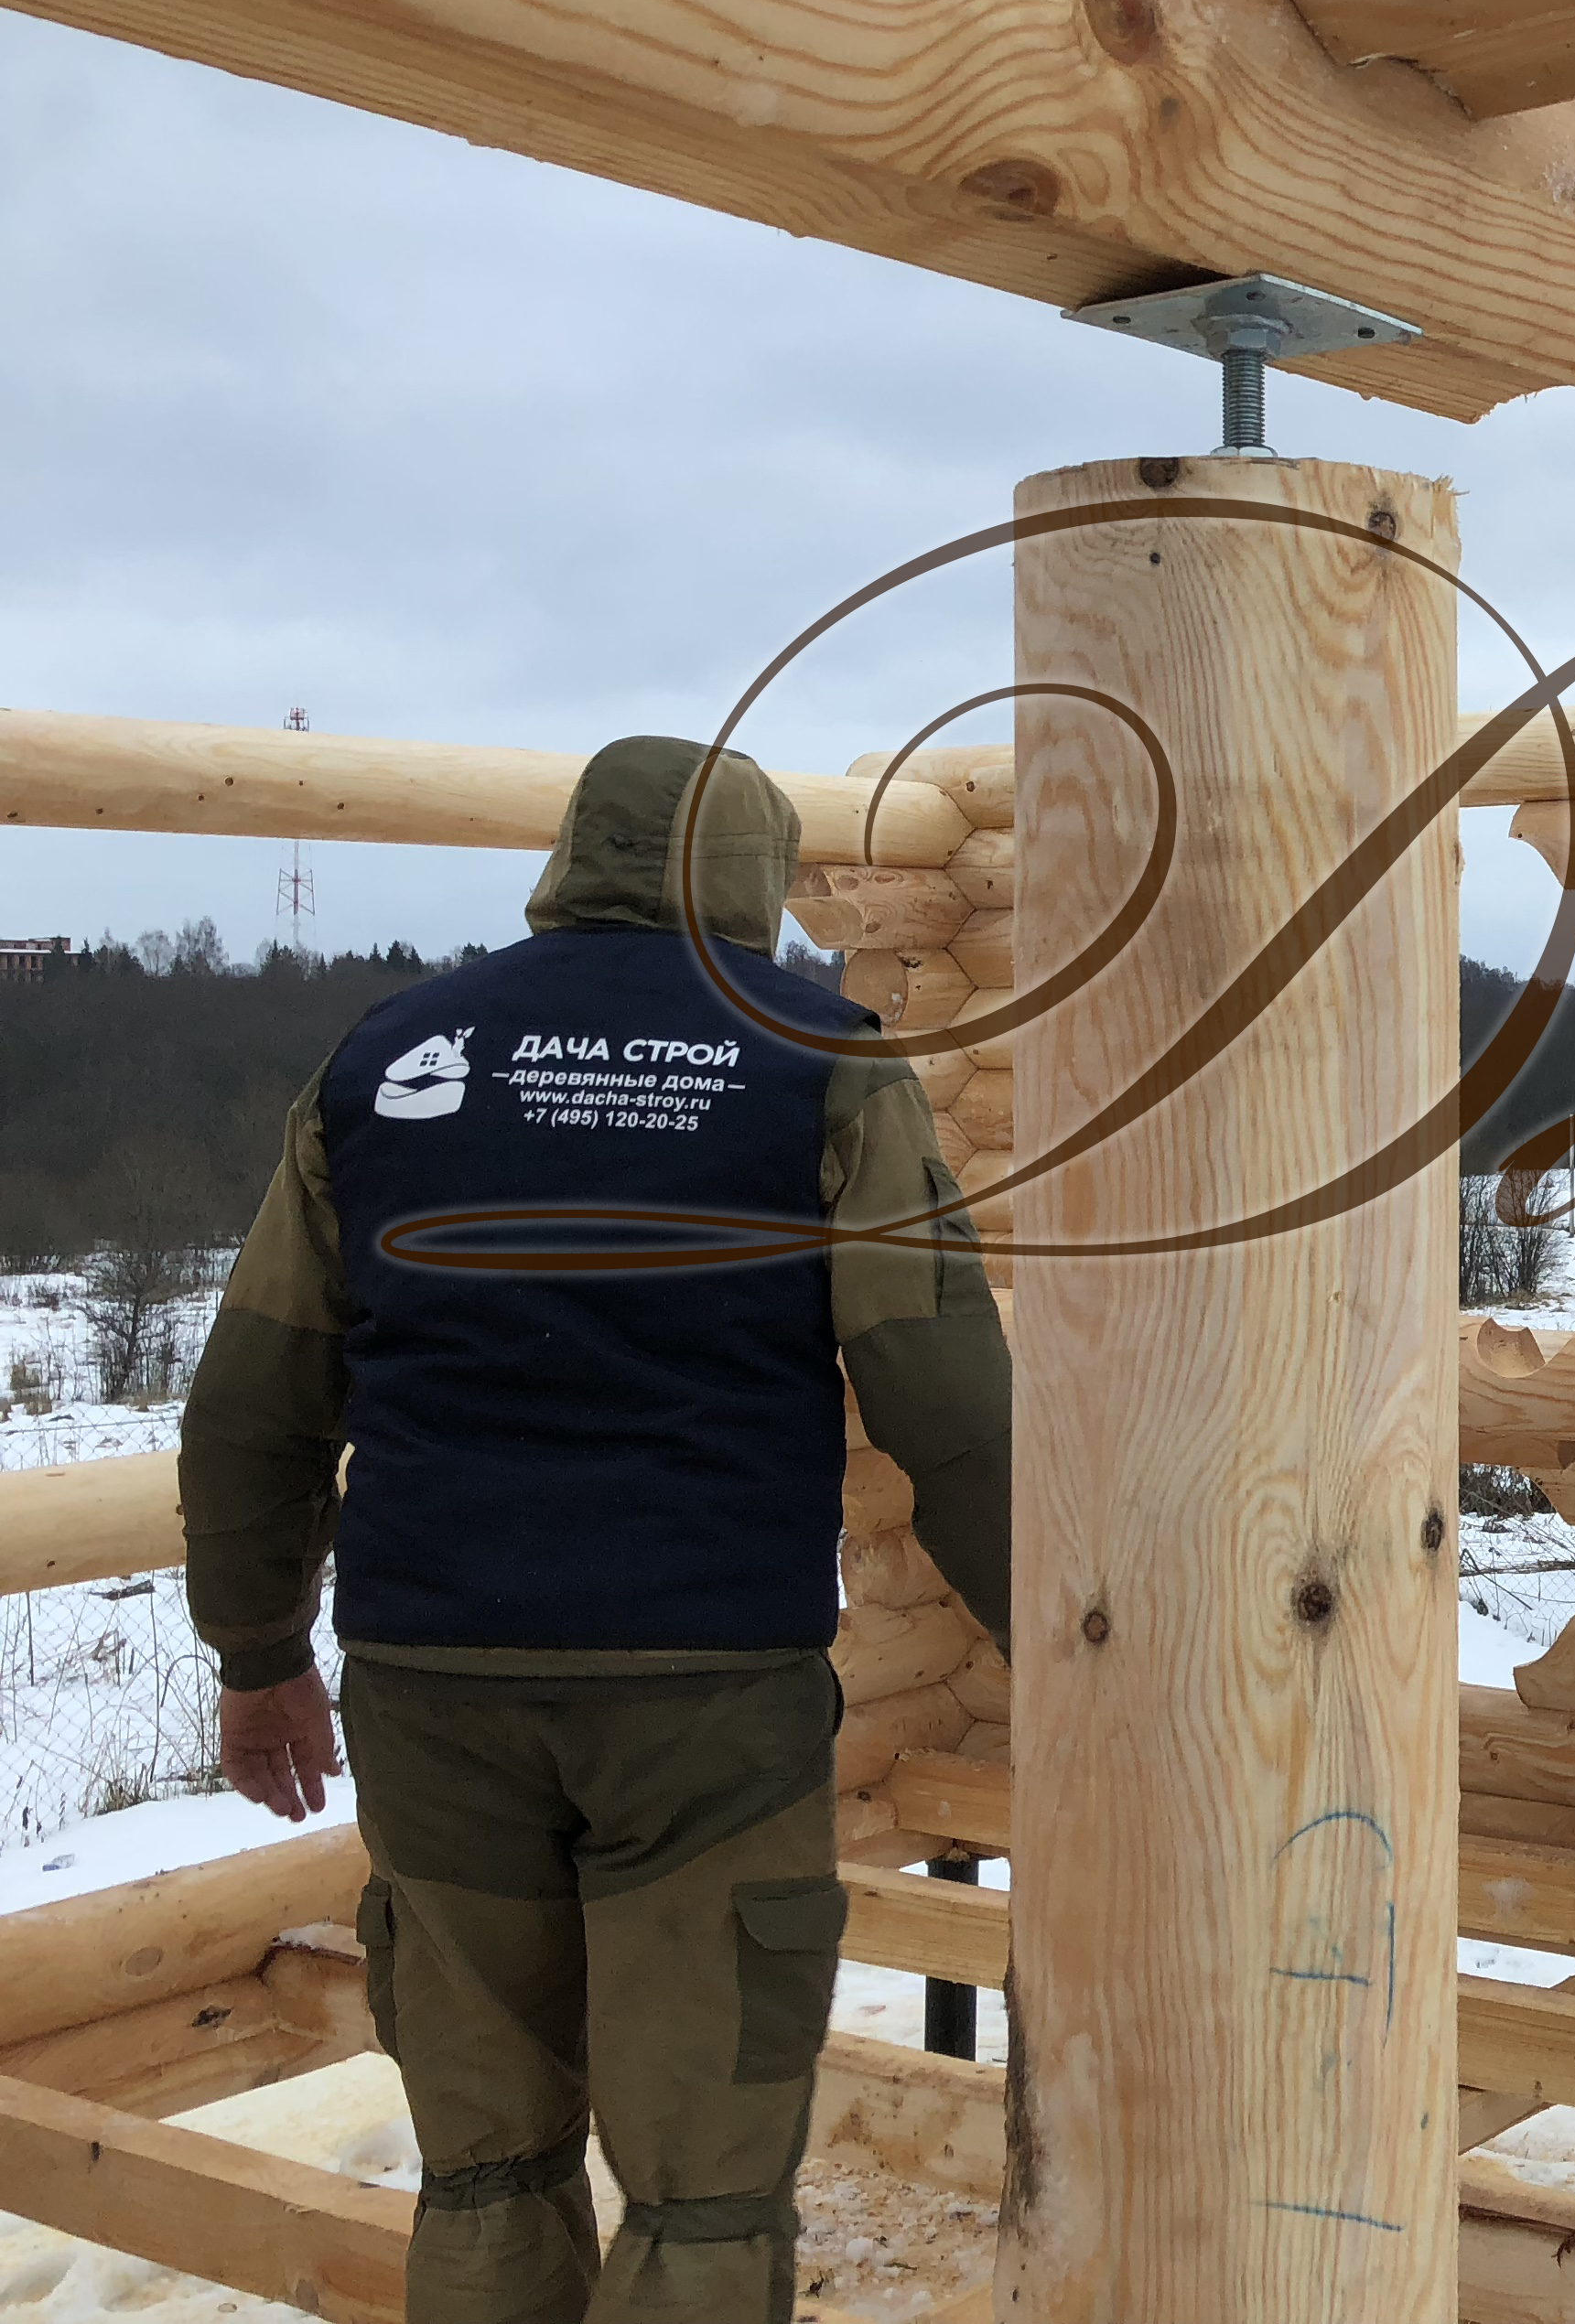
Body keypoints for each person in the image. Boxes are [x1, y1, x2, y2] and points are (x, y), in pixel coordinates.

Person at [180, 736, 1011, 2324]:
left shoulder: (387, 1056)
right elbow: (944, 1390)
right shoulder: (817, 1060)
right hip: (703, 1692)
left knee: (487, 2166)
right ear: (757, 878)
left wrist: (257, 1650)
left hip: (432, 1685)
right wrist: (1068, 1633)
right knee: (702, 2189)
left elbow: (253, 1395)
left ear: (572, 857)